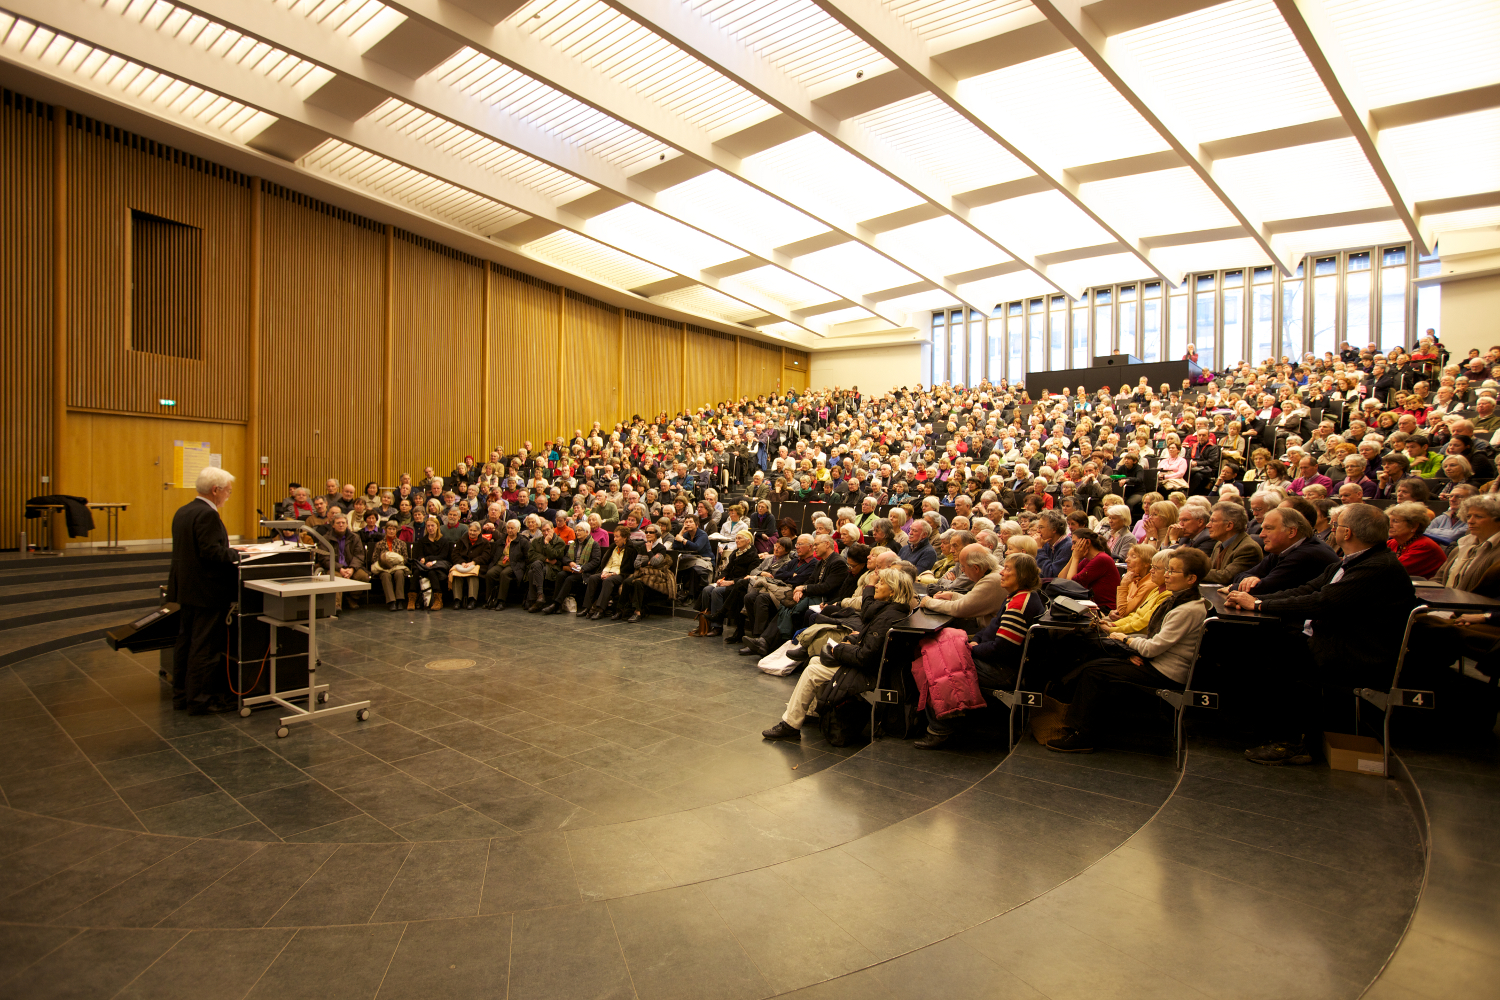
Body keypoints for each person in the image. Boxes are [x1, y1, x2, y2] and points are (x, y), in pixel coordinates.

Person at [1224, 504, 1417, 765]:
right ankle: (1259, 725)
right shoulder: (1352, 561)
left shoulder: (1376, 566)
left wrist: (1258, 604)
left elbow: (1323, 602)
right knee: (1255, 645)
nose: (1331, 530)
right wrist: (1253, 599)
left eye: (1335, 526)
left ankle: (1293, 742)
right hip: (1332, 639)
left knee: (1272, 658)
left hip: (1354, 652)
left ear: (1346, 533)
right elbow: (1308, 590)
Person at [1046, 548, 1211, 754]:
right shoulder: (1178, 599)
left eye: (1172, 571)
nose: (1166, 575)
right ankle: (1075, 721)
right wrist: (1128, 645)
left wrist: (1125, 639)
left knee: (1094, 672)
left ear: (1191, 578)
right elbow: (1151, 639)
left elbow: (1153, 646)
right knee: (1095, 661)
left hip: (1165, 671)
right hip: (1155, 660)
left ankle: (1083, 735)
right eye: (1166, 569)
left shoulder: (1187, 609)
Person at [760, 567, 915, 742]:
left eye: (881, 583)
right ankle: (811, 712)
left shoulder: (887, 616)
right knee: (815, 661)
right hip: (874, 668)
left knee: (813, 671)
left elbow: (865, 656)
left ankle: (790, 725)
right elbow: (872, 642)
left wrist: (839, 649)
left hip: (870, 675)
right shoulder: (893, 611)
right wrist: (854, 641)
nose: (876, 586)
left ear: (892, 591)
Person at [914, 553, 1045, 749]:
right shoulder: (1020, 596)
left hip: (1004, 671)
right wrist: (974, 643)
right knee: (938, 650)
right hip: (1000, 660)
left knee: (935, 666)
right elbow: (992, 630)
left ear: (1023, 575)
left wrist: (972, 650)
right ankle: (948, 719)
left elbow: (1003, 649)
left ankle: (941, 730)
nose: (1002, 572)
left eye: (1008, 569)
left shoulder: (1018, 605)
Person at [167, 467, 242, 714]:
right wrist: (238, 554)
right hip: (207, 591)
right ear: (215, 490)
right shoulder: (208, 515)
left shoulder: (183, 511)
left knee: (185, 643)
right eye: (228, 491)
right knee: (205, 648)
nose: (228, 496)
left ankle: (181, 695)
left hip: (186, 588)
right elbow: (212, 552)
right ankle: (200, 700)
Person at [1229, 507, 1337, 596]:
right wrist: (1251, 579)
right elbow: (1240, 576)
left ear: (1291, 532)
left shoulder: (1307, 554)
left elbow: (1264, 588)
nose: (1262, 534)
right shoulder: (1283, 549)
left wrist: (1233, 588)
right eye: (1262, 528)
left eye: (1269, 528)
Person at [1203, 501, 1262, 585]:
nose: (1208, 525)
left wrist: (1192, 573)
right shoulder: (1219, 544)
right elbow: (1211, 570)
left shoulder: (1248, 548)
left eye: (1213, 521)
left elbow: (1226, 577)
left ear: (1229, 525)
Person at [1385, 502, 1446, 578]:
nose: (1389, 525)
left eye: (1395, 521)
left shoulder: (1424, 546)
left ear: (1414, 526)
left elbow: (1391, 569)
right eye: (1388, 521)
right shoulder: (1393, 542)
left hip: (1427, 588)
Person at [369, 520, 409, 611]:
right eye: (389, 529)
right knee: (385, 575)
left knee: (399, 573)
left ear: (396, 530)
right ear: (386, 530)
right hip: (383, 567)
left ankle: (400, 600)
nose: (391, 531)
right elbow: (374, 559)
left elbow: (405, 558)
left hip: (397, 566)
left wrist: (395, 561)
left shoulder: (401, 543)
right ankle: (391, 601)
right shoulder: (379, 544)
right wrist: (384, 562)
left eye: (393, 529)